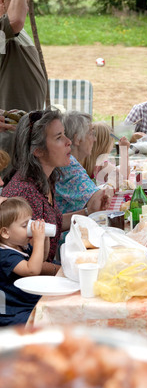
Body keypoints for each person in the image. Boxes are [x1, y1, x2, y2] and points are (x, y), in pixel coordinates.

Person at [1, 110, 106, 263]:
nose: (68, 141)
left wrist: (90, 211)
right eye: (59, 137)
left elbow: (53, 224)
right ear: (38, 150)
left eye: (64, 134)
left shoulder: (45, 179)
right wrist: (65, 270)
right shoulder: (24, 194)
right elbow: (29, 264)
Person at [0, 0, 47, 112]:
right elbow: (15, 21)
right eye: (21, 1)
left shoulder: (13, 31)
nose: (26, 8)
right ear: (2, 0)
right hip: (9, 124)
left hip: (25, 121)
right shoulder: (5, 28)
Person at [0, 197, 53, 326]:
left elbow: (42, 259)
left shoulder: (19, 245)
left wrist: (44, 238)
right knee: (49, 322)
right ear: (5, 232)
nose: (30, 228)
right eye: (25, 225)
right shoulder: (4, 255)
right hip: (13, 313)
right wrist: (38, 240)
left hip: (26, 303)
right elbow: (32, 270)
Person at [55, 112, 112, 214]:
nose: (94, 139)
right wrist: (111, 185)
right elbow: (97, 201)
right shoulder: (68, 163)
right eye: (91, 134)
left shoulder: (69, 160)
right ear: (77, 139)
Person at [82, 121, 130, 187]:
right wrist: (124, 150)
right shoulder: (103, 165)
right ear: (106, 145)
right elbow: (122, 180)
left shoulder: (82, 161)